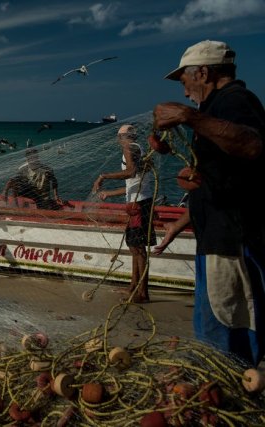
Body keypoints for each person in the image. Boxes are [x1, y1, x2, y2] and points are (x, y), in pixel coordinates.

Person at [152, 40, 265, 367]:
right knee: (214, 325)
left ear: (203, 72)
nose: (185, 91)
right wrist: (183, 218)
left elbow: (253, 145)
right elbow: (233, 177)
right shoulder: (214, 109)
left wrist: (189, 117)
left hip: (231, 243)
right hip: (215, 239)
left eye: (184, 81)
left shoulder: (234, 101)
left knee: (229, 333)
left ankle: (234, 396)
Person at [92, 124, 156, 304]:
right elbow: (134, 183)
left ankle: (143, 293)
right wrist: (109, 193)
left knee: (138, 248)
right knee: (134, 246)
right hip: (139, 201)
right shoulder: (138, 148)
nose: (119, 140)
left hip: (139, 203)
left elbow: (130, 172)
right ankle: (133, 286)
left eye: (119, 137)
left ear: (122, 138)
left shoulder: (129, 148)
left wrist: (103, 176)